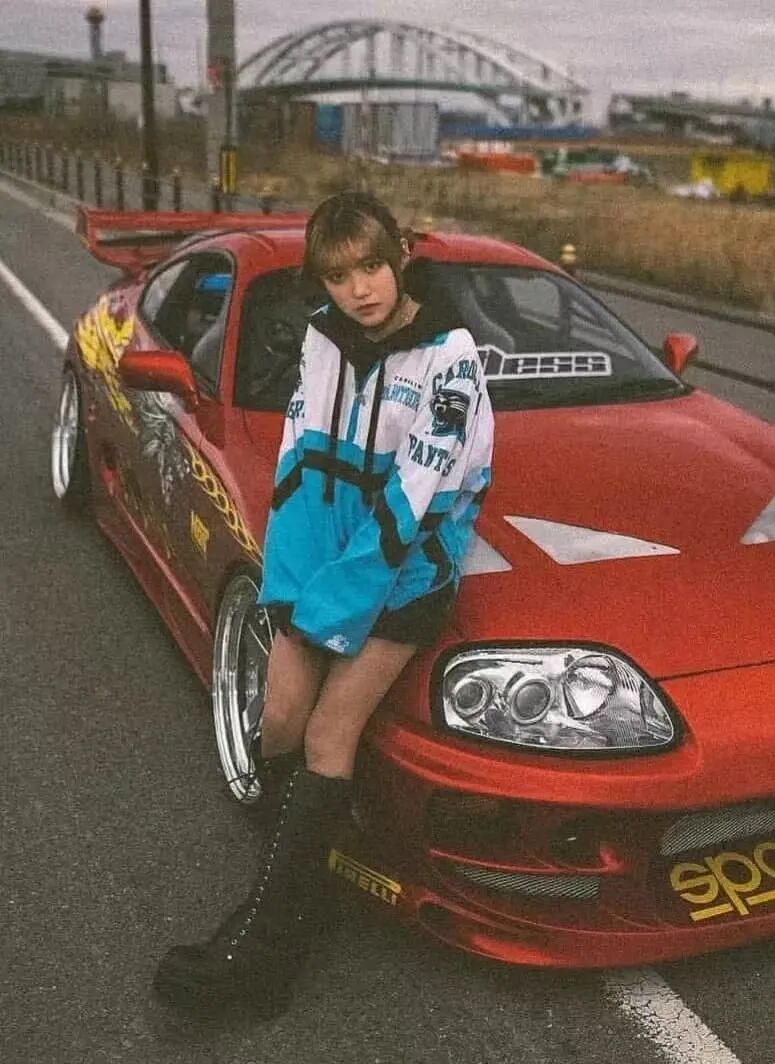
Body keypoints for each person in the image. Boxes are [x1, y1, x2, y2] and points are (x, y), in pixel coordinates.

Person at [153, 191, 494, 1013]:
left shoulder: (451, 359)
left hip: (407, 574)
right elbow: (297, 471)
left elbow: (408, 510)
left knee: (328, 734)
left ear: (401, 257)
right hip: (322, 568)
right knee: (278, 719)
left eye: (371, 266)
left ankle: (266, 955)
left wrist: (329, 616)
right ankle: (300, 880)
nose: (359, 289)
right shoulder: (321, 338)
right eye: (338, 276)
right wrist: (290, 590)